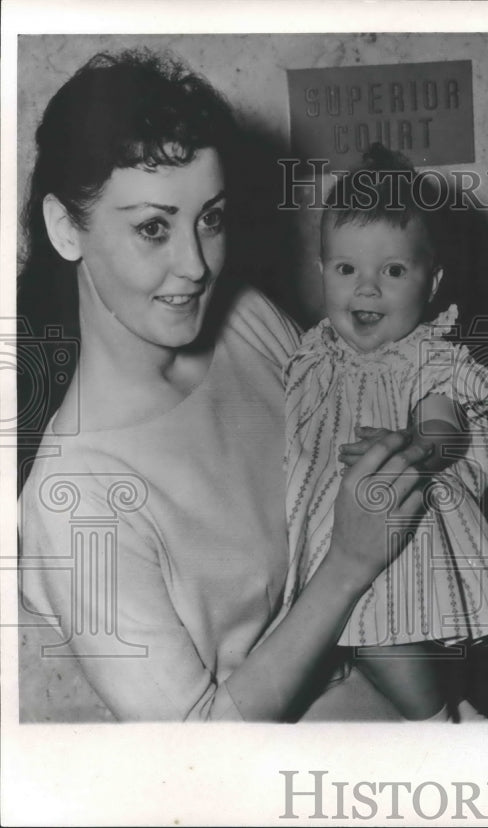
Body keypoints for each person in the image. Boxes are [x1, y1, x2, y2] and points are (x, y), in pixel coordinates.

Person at [17, 50, 432, 722]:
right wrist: (352, 563)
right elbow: (199, 753)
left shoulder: (246, 321)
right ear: (67, 229)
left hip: (396, 701)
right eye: (154, 228)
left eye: (209, 219)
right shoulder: (75, 502)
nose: (197, 264)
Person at [275, 144, 488, 721]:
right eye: (347, 269)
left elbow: (444, 426)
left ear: (432, 283)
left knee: (381, 620)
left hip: (409, 529)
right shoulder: (313, 354)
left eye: (393, 271)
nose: (366, 288)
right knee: (356, 629)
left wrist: (411, 445)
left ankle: (446, 718)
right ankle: (438, 716)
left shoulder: (427, 356)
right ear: (322, 272)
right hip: (335, 536)